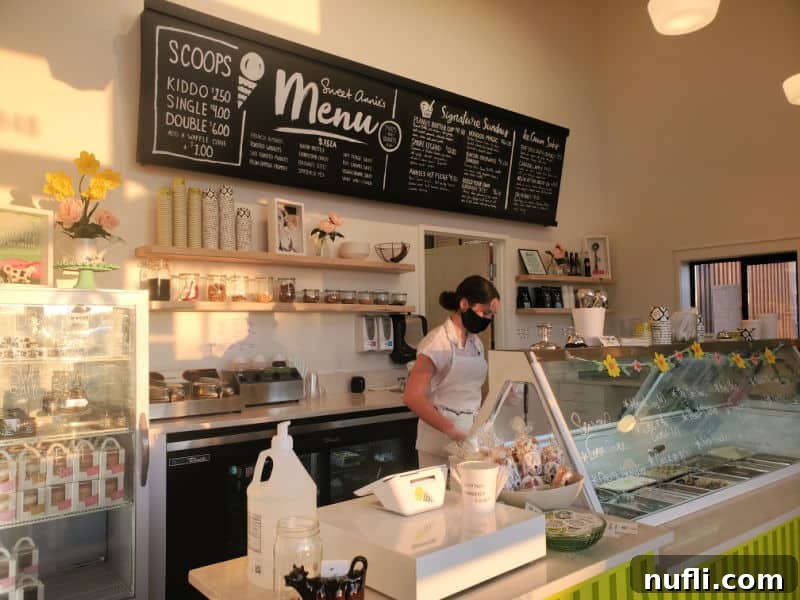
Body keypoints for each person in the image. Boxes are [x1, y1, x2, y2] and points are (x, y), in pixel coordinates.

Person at [403, 275, 500, 468]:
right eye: (485, 312)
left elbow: (472, 388)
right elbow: (412, 397)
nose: (488, 319)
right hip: (438, 439)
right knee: (440, 496)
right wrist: (451, 430)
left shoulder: (476, 343)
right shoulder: (436, 342)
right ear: (464, 304)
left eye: (492, 315)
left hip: (469, 436)